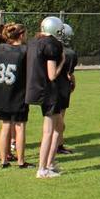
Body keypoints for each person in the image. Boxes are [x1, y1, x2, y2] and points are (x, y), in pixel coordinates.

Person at [25, 16, 68, 179]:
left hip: (34, 87)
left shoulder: (34, 42)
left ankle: (50, 163)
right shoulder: (52, 44)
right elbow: (51, 75)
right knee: (49, 131)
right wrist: (62, 61)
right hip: (48, 91)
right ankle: (42, 168)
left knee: (59, 127)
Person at [0, 23, 31, 169]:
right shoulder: (25, 51)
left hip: (1, 92)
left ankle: (3, 160)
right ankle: (21, 161)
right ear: (21, 35)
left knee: (5, 126)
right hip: (18, 93)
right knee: (20, 127)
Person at [55, 23, 78, 155]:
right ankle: (58, 144)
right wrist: (73, 83)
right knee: (60, 118)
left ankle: (57, 143)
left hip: (48, 87)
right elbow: (69, 74)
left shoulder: (46, 48)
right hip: (62, 87)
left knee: (51, 118)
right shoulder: (69, 53)